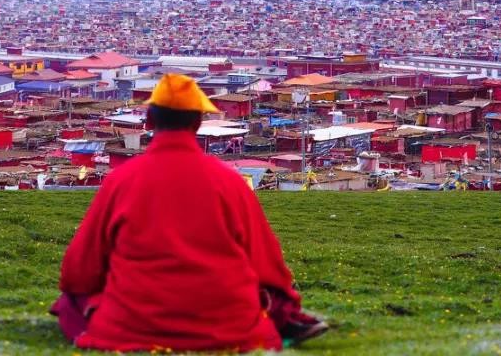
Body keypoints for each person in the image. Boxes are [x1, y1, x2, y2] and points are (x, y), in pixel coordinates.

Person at [52, 74, 327, 352]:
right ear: (197, 123)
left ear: (149, 120)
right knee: (272, 299)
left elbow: (79, 271)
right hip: (229, 330)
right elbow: (268, 266)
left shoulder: (120, 181)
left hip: (133, 326)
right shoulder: (230, 182)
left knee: (70, 302)